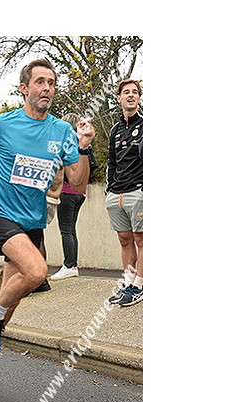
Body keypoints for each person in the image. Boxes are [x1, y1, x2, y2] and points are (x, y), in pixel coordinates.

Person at [0, 58, 95, 384]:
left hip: (33, 222)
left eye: (51, 83)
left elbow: (77, 180)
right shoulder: (2, 124)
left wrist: (84, 148)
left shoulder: (62, 131)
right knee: (36, 272)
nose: (47, 88)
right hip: (0, 213)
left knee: (13, 297)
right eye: (40, 82)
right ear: (24, 88)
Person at [105, 79, 143, 307]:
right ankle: (129, 283)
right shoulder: (115, 130)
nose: (130, 95)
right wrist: (108, 192)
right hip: (116, 194)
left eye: (135, 92)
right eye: (126, 92)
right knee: (125, 239)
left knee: (142, 239)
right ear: (119, 98)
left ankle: (140, 285)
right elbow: (111, 163)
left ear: (139, 97)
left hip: (138, 191)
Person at [51, 113, 89, 280]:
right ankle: (72, 264)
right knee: (71, 229)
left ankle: (69, 265)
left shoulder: (66, 144)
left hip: (67, 191)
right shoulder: (81, 143)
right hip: (80, 192)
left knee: (66, 229)